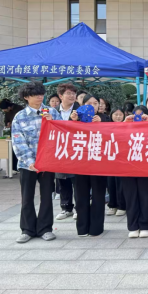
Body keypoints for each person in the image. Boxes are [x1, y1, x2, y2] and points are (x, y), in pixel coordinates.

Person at [12, 81, 62, 244]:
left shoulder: (52, 112)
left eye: (41, 94)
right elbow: (18, 141)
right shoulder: (20, 117)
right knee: (27, 197)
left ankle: (45, 228)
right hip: (27, 165)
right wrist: (30, 161)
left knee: (47, 196)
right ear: (26, 97)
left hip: (47, 163)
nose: (40, 97)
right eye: (35, 95)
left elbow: (62, 133)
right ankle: (27, 229)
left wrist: (52, 123)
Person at [70, 94, 110, 237]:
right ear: (82, 104)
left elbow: (113, 136)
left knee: (98, 195)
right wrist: (73, 121)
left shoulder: (105, 118)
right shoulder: (74, 118)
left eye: (95, 103)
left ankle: (96, 228)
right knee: (81, 195)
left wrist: (101, 123)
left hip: (99, 163)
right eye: (89, 103)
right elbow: (66, 134)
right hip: (80, 162)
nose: (92, 106)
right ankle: (82, 227)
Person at [123, 105, 148, 238]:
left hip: (146, 167)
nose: (138, 118)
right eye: (136, 115)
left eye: (141, 116)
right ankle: (133, 226)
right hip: (128, 168)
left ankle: (145, 225)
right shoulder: (126, 127)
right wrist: (125, 123)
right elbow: (116, 137)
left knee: (146, 197)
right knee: (131, 197)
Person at [54, 83, 81, 221]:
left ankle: (79, 208)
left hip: (76, 148)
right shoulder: (52, 111)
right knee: (62, 179)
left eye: (73, 93)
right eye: (68, 93)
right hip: (59, 149)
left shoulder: (80, 110)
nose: (72, 96)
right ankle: (66, 208)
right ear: (60, 96)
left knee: (77, 180)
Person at [107, 108, 127, 217]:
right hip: (110, 159)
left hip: (122, 159)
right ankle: (112, 205)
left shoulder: (127, 126)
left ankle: (122, 206)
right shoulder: (106, 126)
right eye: (116, 114)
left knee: (121, 183)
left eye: (120, 114)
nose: (118, 117)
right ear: (111, 115)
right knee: (110, 183)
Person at [0, 99, 24, 173]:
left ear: (9, 107)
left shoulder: (19, 109)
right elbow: (6, 120)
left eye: (4, 109)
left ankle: (20, 167)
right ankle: (13, 168)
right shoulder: (7, 112)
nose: (4, 111)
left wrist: (13, 123)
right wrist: (7, 123)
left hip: (21, 132)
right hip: (13, 132)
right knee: (13, 150)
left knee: (20, 150)